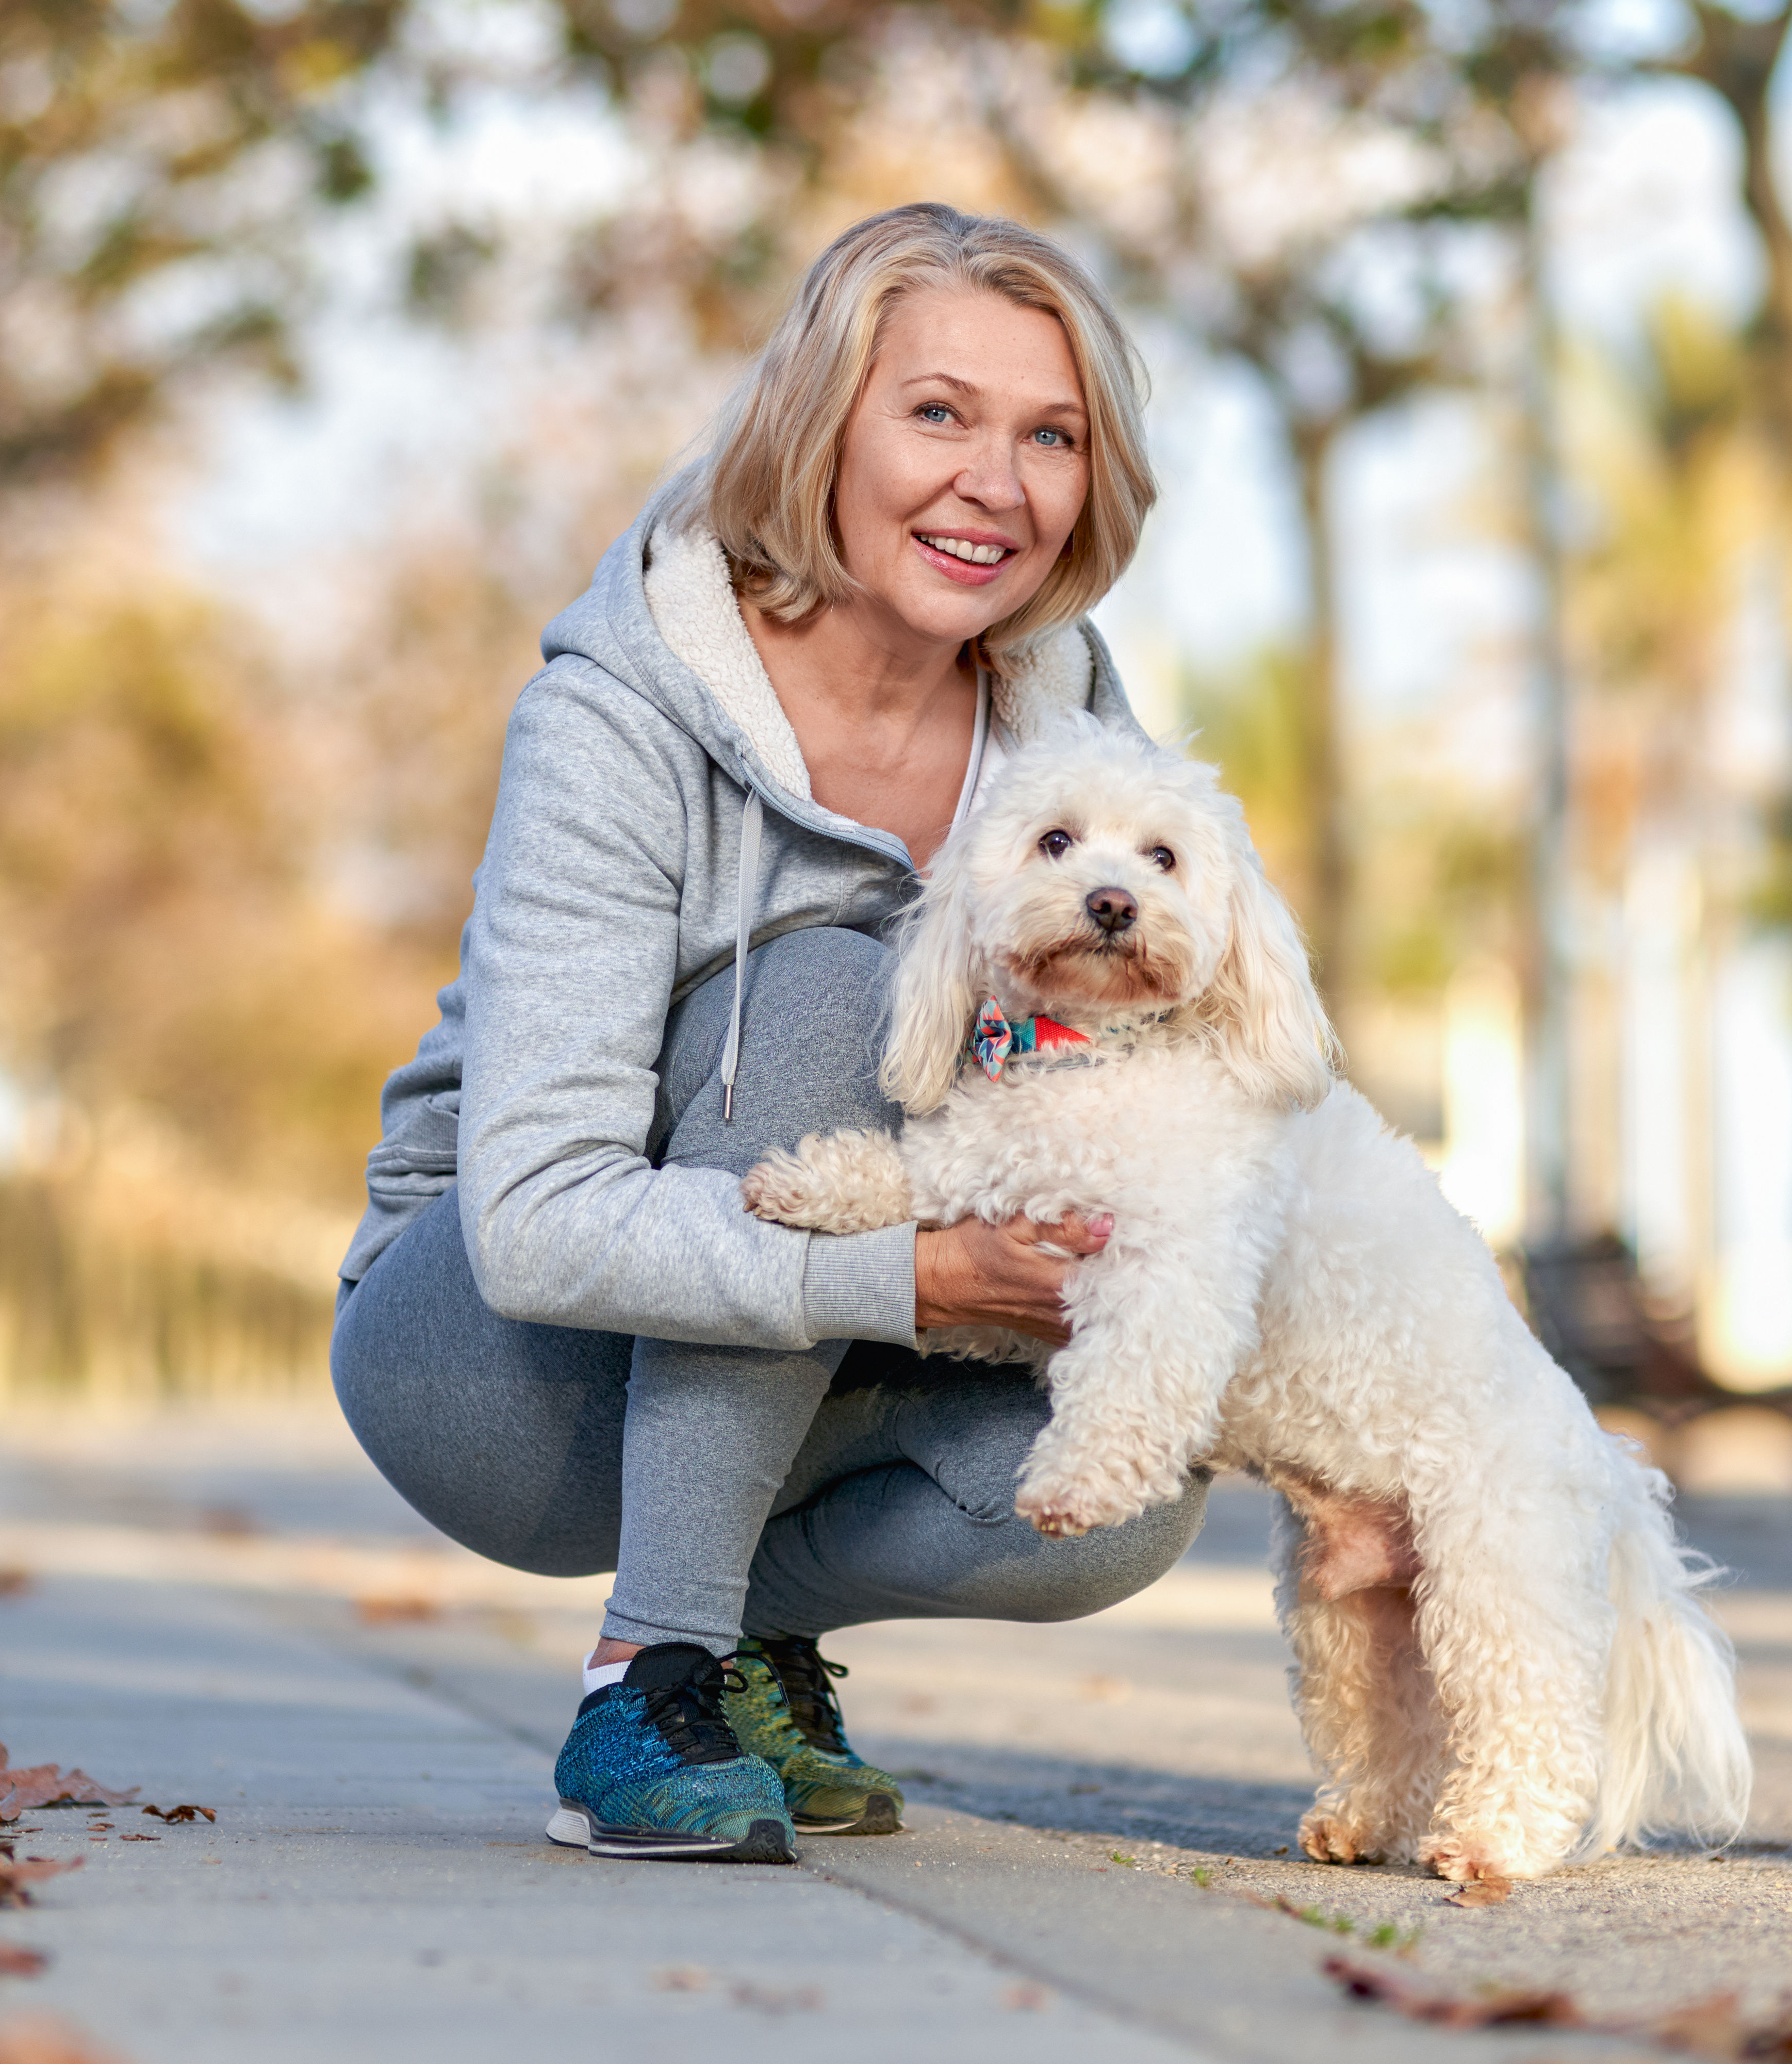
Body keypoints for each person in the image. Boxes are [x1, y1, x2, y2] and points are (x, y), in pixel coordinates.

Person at [329, 203, 1207, 1865]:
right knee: (831, 994)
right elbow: (536, 1219)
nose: (998, 483)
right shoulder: (618, 712)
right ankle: (649, 1669)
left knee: (1126, 1481)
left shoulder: (1064, 709)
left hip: (834, 1346)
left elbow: (1192, 1043)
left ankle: (744, 1632)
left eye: (1052, 436)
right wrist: (918, 1278)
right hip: (503, 1372)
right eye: (939, 413)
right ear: (825, 426)